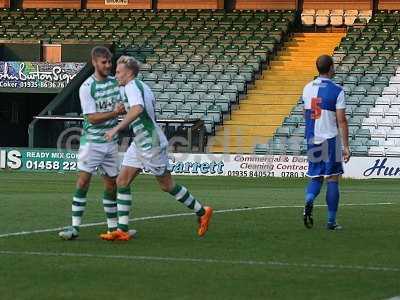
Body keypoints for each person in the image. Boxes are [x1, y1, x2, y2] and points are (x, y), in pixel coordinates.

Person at [100, 55, 213, 241]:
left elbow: (138, 109)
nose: (116, 74)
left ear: (128, 72)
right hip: (141, 141)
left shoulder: (131, 86)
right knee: (122, 181)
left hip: (150, 142)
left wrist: (117, 128)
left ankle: (202, 211)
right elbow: (139, 107)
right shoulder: (141, 86)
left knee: (167, 185)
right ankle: (122, 230)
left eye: (119, 72)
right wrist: (123, 108)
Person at [59, 46, 127, 240]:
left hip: (111, 143)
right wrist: (115, 113)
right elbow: (91, 119)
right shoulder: (87, 87)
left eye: (110, 62)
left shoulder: (116, 83)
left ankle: (113, 229)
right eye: (104, 62)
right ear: (95, 63)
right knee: (83, 182)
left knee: (112, 185)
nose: (108, 65)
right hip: (92, 143)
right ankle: (74, 227)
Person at [302, 55, 350, 230]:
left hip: (312, 139)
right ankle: (331, 221)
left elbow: (305, 113)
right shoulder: (337, 90)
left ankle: (308, 200)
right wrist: (346, 146)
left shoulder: (307, 88)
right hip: (329, 139)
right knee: (332, 179)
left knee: (316, 176)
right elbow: (341, 120)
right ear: (330, 68)